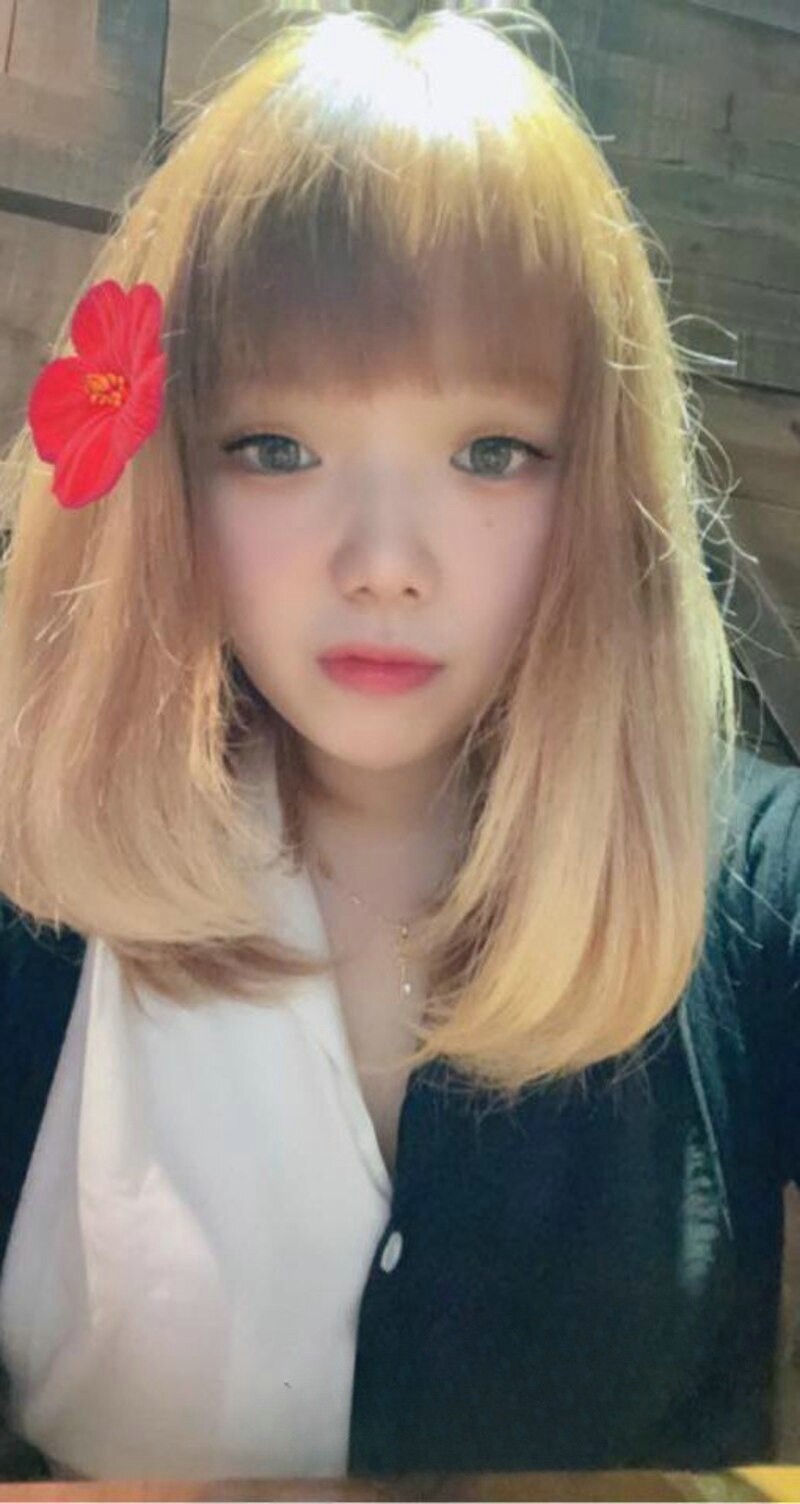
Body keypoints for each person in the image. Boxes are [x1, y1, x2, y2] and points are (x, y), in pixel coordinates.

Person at [0, 0, 797, 1484]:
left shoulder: (750, 887)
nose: (383, 563)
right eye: (277, 447)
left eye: (491, 452)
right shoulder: (30, 877)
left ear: (599, 482)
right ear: (165, 470)